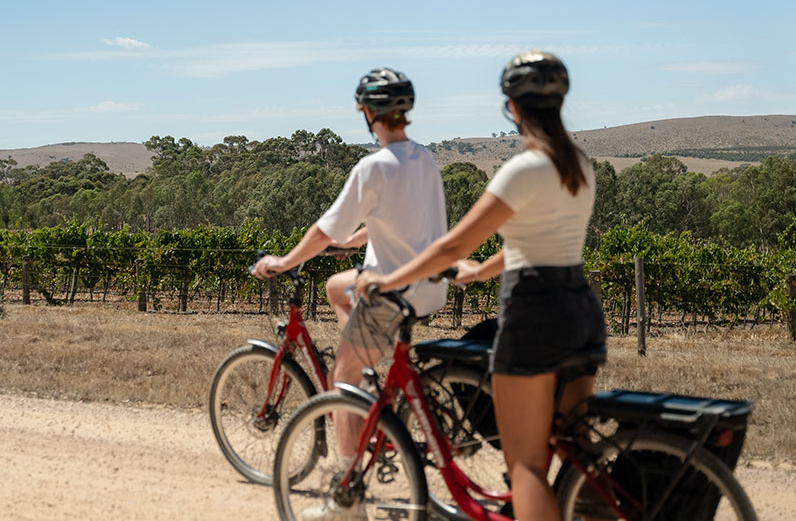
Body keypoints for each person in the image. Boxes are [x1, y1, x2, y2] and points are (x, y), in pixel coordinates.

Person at [356, 51, 606, 521]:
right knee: (575, 449)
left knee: (526, 464)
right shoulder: (580, 164)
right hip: (582, 310)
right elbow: (533, 242)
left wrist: (389, 278)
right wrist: (479, 272)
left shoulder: (522, 169)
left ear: (511, 107)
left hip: (535, 315)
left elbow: (452, 247)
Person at [253, 67, 449, 521]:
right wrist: (360, 239)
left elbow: (322, 230)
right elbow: (404, 220)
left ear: (367, 112)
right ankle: (367, 369)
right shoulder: (425, 158)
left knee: (340, 379)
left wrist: (283, 262)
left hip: (391, 294)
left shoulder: (373, 166)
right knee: (335, 286)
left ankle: (348, 498)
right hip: (428, 289)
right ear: (405, 111)